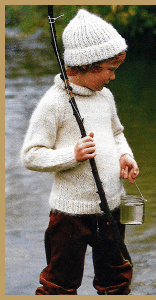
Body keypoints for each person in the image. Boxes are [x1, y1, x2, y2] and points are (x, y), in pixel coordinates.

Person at [21, 9, 139, 295]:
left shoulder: (105, 97)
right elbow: (31, 155)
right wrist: (71, 155)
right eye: (109, 70)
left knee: (117, 279)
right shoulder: (55, 103)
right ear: (83, 66)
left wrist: (125, 156)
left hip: (111, 206)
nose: (112, 78)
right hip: (69, 215)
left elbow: (116, 134)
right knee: (60, 283)